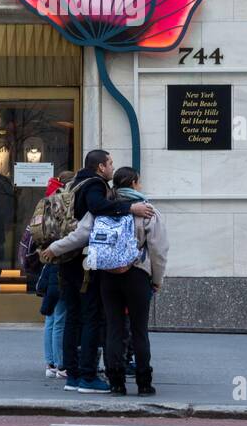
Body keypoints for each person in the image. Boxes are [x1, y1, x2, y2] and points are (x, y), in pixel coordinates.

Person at [42, 166, 168, 396]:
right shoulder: (147, 211)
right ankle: (144, 382)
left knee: (113, 328)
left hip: (107, 276)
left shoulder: (102, 209)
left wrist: (53, 248)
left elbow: (79, 236)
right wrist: (157, 279)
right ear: (135, 183)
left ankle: (116, 382)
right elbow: (159, 251)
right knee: (139, 330)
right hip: (137, 274)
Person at [36, 171, 74, 378]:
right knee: (60, 315)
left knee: (51, 316)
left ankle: (50, 362)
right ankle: (61, 365)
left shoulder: (48, 201)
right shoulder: (65, 203)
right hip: (61, 261)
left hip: (49, 261)